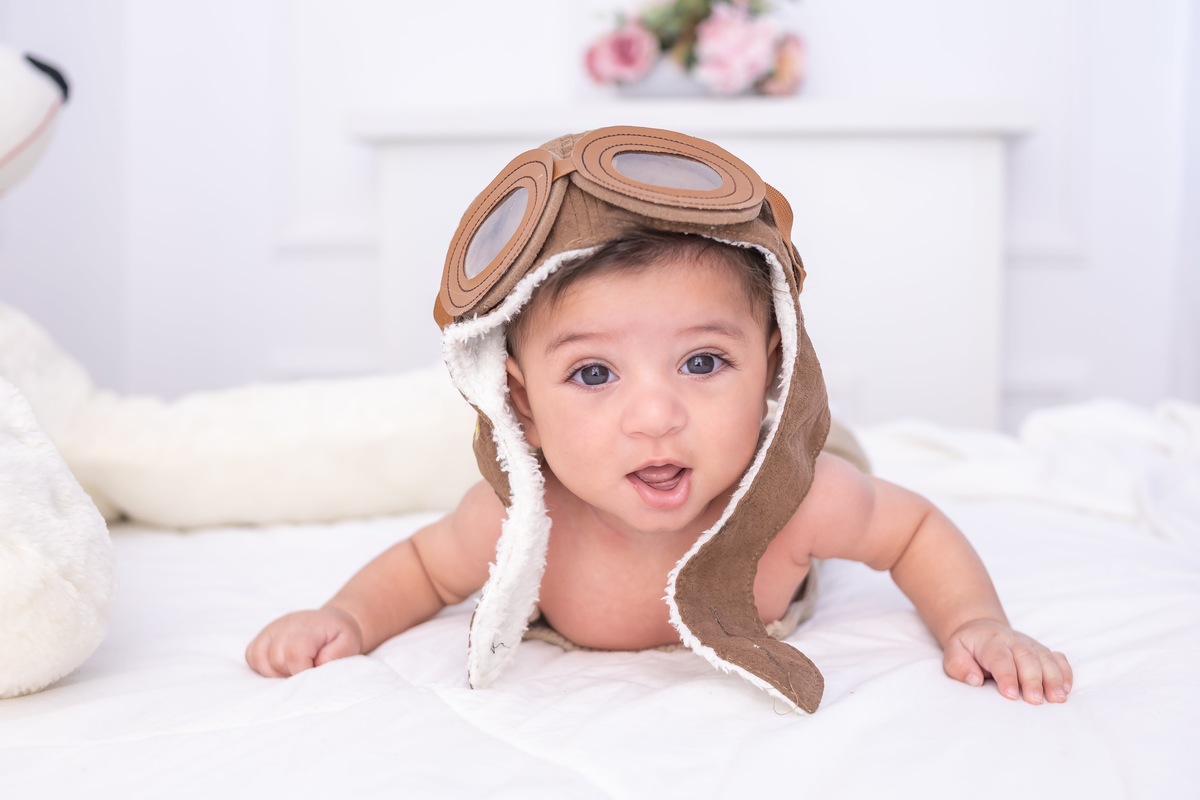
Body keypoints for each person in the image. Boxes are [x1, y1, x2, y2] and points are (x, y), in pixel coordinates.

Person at [246, 126, 1071, 713]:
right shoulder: (520, 519)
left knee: (843, 458)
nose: (654, 416)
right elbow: (423, 571)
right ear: (522, 403)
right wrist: (345, 617)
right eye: (594, 373)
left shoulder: (800, 500)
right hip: (657, 443)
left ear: (774, 366)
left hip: (758, 450)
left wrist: (977, 623)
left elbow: (914, 532)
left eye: (702, 362)